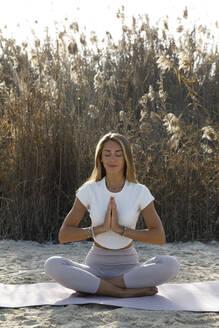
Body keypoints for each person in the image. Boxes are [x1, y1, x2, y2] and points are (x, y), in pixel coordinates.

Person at [45, 132, 179, 298]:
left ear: (126, 158)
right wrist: (99, 229)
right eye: (107, 154)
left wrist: (120, 230)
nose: (112, 159)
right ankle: (121, 293)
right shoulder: (89, 190)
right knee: (52, 264)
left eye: (118, 154)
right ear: (100, 158)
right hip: (95, 267)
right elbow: (64, 235)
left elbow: (158, 237)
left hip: (128, 268)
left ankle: (102, 287)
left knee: (170, 264)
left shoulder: (140, 191)